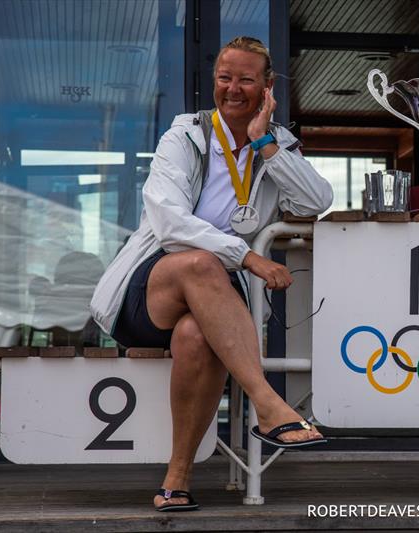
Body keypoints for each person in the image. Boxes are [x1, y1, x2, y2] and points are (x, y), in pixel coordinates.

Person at [90, 36, 333, 512]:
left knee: (198, 335)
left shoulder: (275, 143)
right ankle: (267, 403)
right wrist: (247, 257)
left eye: (246, 79)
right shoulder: (184, 136)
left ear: (268, 86)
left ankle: (175, 482)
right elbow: (170, 223)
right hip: (151, 292)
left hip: (215, 306)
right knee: (200, 263)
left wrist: (266, 145)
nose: (233, 89)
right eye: (225, 78)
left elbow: (316, 202)